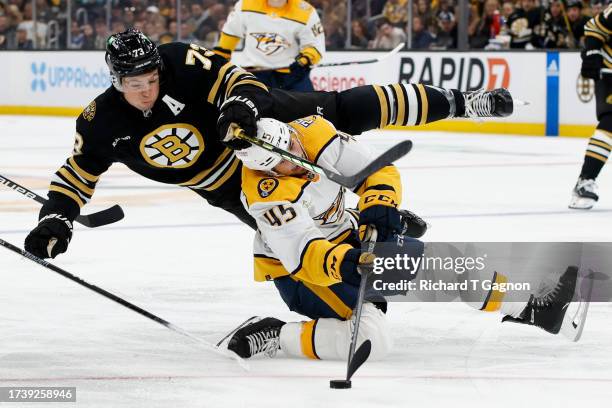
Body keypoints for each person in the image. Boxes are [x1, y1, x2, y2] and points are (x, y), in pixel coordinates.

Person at [23, 28, 515, 260]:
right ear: (115, 81)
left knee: (343, 110)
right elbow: (78, 171)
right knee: (298, 237)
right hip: (223, 184)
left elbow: (237, 76)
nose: (147, 89)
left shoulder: (180, 61)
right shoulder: (100, 121)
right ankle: (367, 220)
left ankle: (460, 101)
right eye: (134, 84)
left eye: (151, 77)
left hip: (254, 124)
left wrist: (240, 105)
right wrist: (57, 215)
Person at [222, 117, 584, 360]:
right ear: (265, 167)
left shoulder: (311, 132)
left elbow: (376, 169)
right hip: (303, 274)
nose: (299, 158)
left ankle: (536, 309)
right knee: (370, 340)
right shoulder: (266, 194)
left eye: (295, 146)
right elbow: (303, 254)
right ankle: (276, 335)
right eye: (287, 161)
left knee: (447, 265)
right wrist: (346, 262)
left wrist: (378, 202)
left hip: (345, 232)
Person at [213, 0, 324, 91]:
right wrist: (218, 61)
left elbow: (314, 45)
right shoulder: (246, 4)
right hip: (254, 75)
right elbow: (231, 34)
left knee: (309, 111)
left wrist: (304, 61)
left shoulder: (306, 11)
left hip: (291, 76)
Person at [569, 3, 612, 209]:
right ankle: (584, 181)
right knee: (611, 120)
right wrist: (593, 51)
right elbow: (594, 27)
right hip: (609, 67)